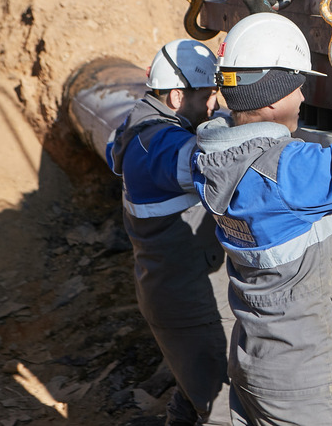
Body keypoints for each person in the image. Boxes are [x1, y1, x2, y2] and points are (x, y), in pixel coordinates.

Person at [193, 8, 332, 426]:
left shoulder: (208, 154)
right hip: (300, 385)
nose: (303, 98)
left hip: (252, 362)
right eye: (297, 87)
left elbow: (241, 123)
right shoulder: (290, 173)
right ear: (273, 96)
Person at [106, 39, 238, 426]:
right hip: (189, 305)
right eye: (208, 95)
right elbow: (212, 164)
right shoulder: (157, 145)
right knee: (223, 412)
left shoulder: (142, 125)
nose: (213, 104)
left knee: (192, 392)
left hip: (180, 294)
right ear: (177, 96)